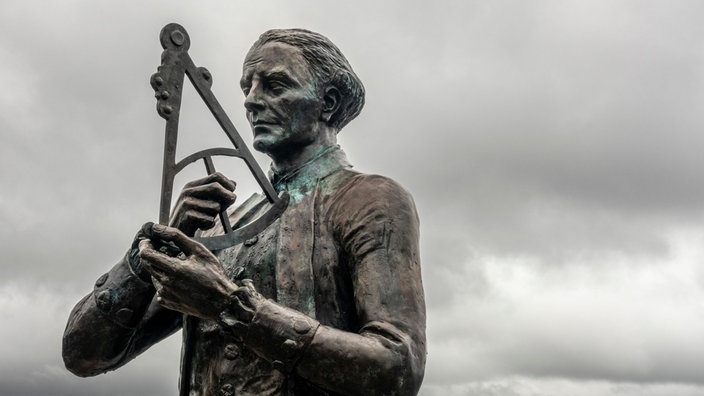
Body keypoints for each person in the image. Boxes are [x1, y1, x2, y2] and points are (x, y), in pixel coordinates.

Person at [63, 28, 426, 396]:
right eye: (247, 88)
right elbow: (84, 355)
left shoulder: (370, 199)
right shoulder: (228, 224)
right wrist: (150, 254)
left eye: (275, 85)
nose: (252, 101)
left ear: (327, 102)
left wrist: (228, 304)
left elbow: (396, 369)